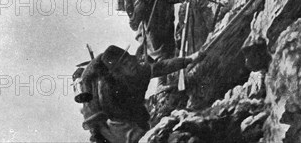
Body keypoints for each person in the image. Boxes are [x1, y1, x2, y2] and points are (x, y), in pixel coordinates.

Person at [74, 45, 204, 143]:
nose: (130, 65)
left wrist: (189, 59)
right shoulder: (107, 90)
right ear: (117, 72)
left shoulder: (137, 71)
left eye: (127, 59)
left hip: (130, 115)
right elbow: (113, 116)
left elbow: (160, 67)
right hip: (114, 124)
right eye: (124, 64)